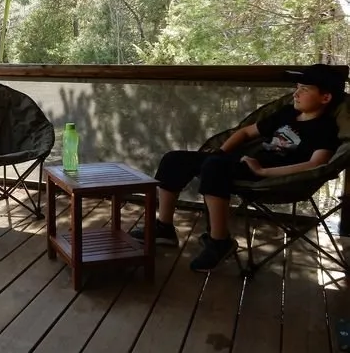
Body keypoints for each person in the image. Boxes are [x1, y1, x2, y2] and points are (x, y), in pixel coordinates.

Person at [130, 63, 345, 272]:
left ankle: (219, 241)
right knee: (174, 159)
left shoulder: (325, 128)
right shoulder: (287, 113)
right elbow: (245, 132)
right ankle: (164, 227)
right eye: (297, 88)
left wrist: (263, 171)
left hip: (272, 174)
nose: (296, 94)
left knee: (214, 167)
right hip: (245, 162)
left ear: (325, 97)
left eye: (304, 89)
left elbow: (316, 164)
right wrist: (221, 152)